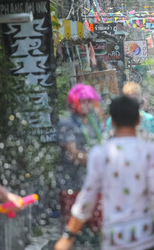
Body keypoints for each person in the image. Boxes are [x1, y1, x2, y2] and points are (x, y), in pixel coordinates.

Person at [54, 95, 154, 250]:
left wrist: (68, 235)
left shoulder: (100, 153)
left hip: (115, 240)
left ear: (113, 121)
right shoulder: (152, 151)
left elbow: (87, 197)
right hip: (149, 239)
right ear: (138, 120)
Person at [56, 84, 103, 238]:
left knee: (99, 231)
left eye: (90, 101)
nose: (87, 105)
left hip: (94, 186)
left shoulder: (93, 124)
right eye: (83, 101)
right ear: (74, 102)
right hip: (72, 186)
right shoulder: (67, 124)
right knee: (74, 234)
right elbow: (74, 154)